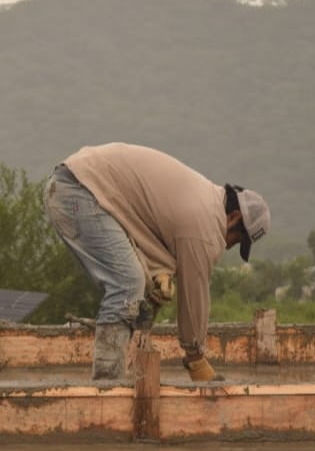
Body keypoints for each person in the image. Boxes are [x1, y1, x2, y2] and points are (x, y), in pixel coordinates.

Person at [43, 143, 270, 381]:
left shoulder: (203, 198)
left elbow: (140, 223)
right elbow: (195, 294)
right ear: (233, 218)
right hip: (78, 190)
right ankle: (106, 387)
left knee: (134, 283)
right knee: (127, 285)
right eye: (236, 239)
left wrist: (157, 272)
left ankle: (115, 377)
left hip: (78, 183)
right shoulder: (206, 226)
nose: (229, 245)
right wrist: (195, 357)